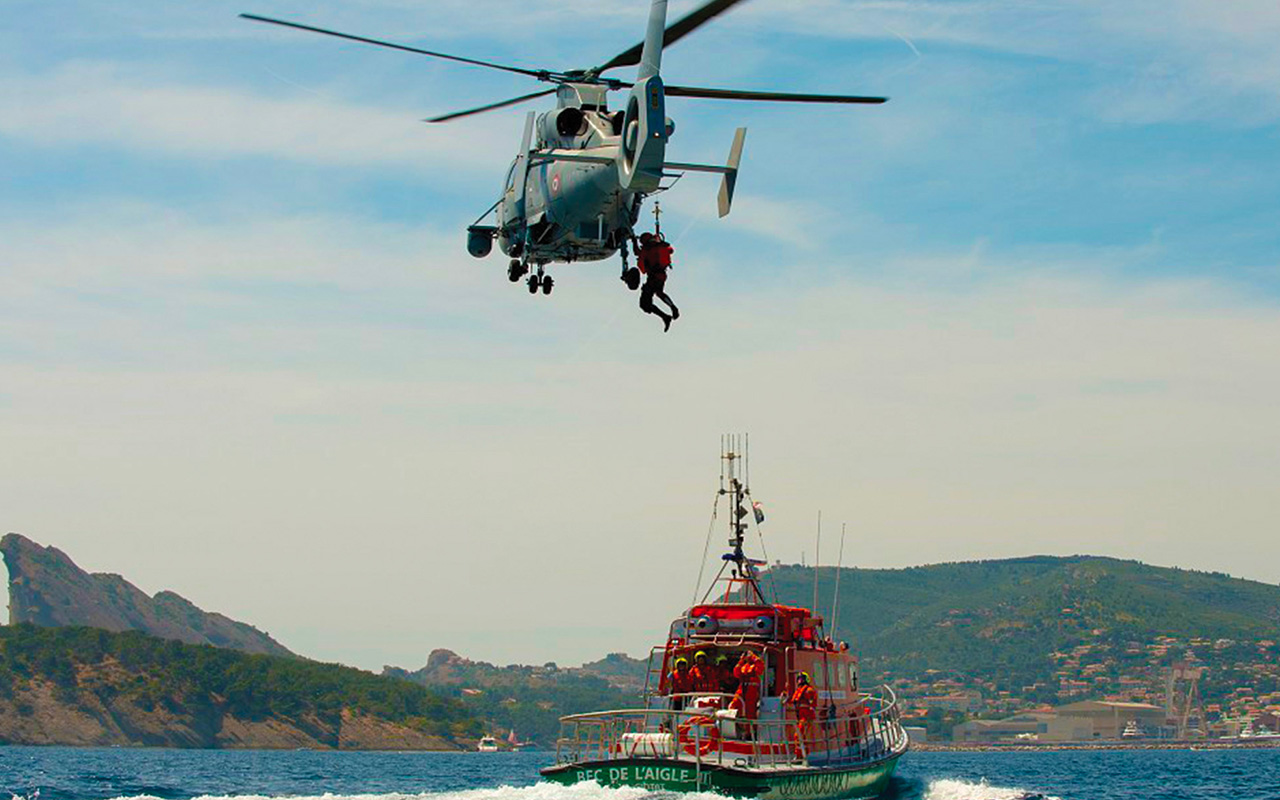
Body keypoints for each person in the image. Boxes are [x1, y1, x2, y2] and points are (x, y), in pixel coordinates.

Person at [632, 232, 679, 332]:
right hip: (661, 276)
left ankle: (666, 316)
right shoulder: (660, 246)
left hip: (653, 277)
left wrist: (633, 241)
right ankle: (672, 308)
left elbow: (637, 252)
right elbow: (670, 251)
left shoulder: (647, 249)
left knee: (644, 304)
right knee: (659, 292)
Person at [786, 672, 819, 756]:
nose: (800, 680)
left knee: (798, 735)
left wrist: (809, 718)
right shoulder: (799, 691)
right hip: (800, 717)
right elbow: (793, 700)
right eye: (799, 679)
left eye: (802, 679)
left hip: (805, 717)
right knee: (801, 736)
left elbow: (812, 703)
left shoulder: (809, 690)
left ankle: (800, 755)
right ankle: (803, 754)